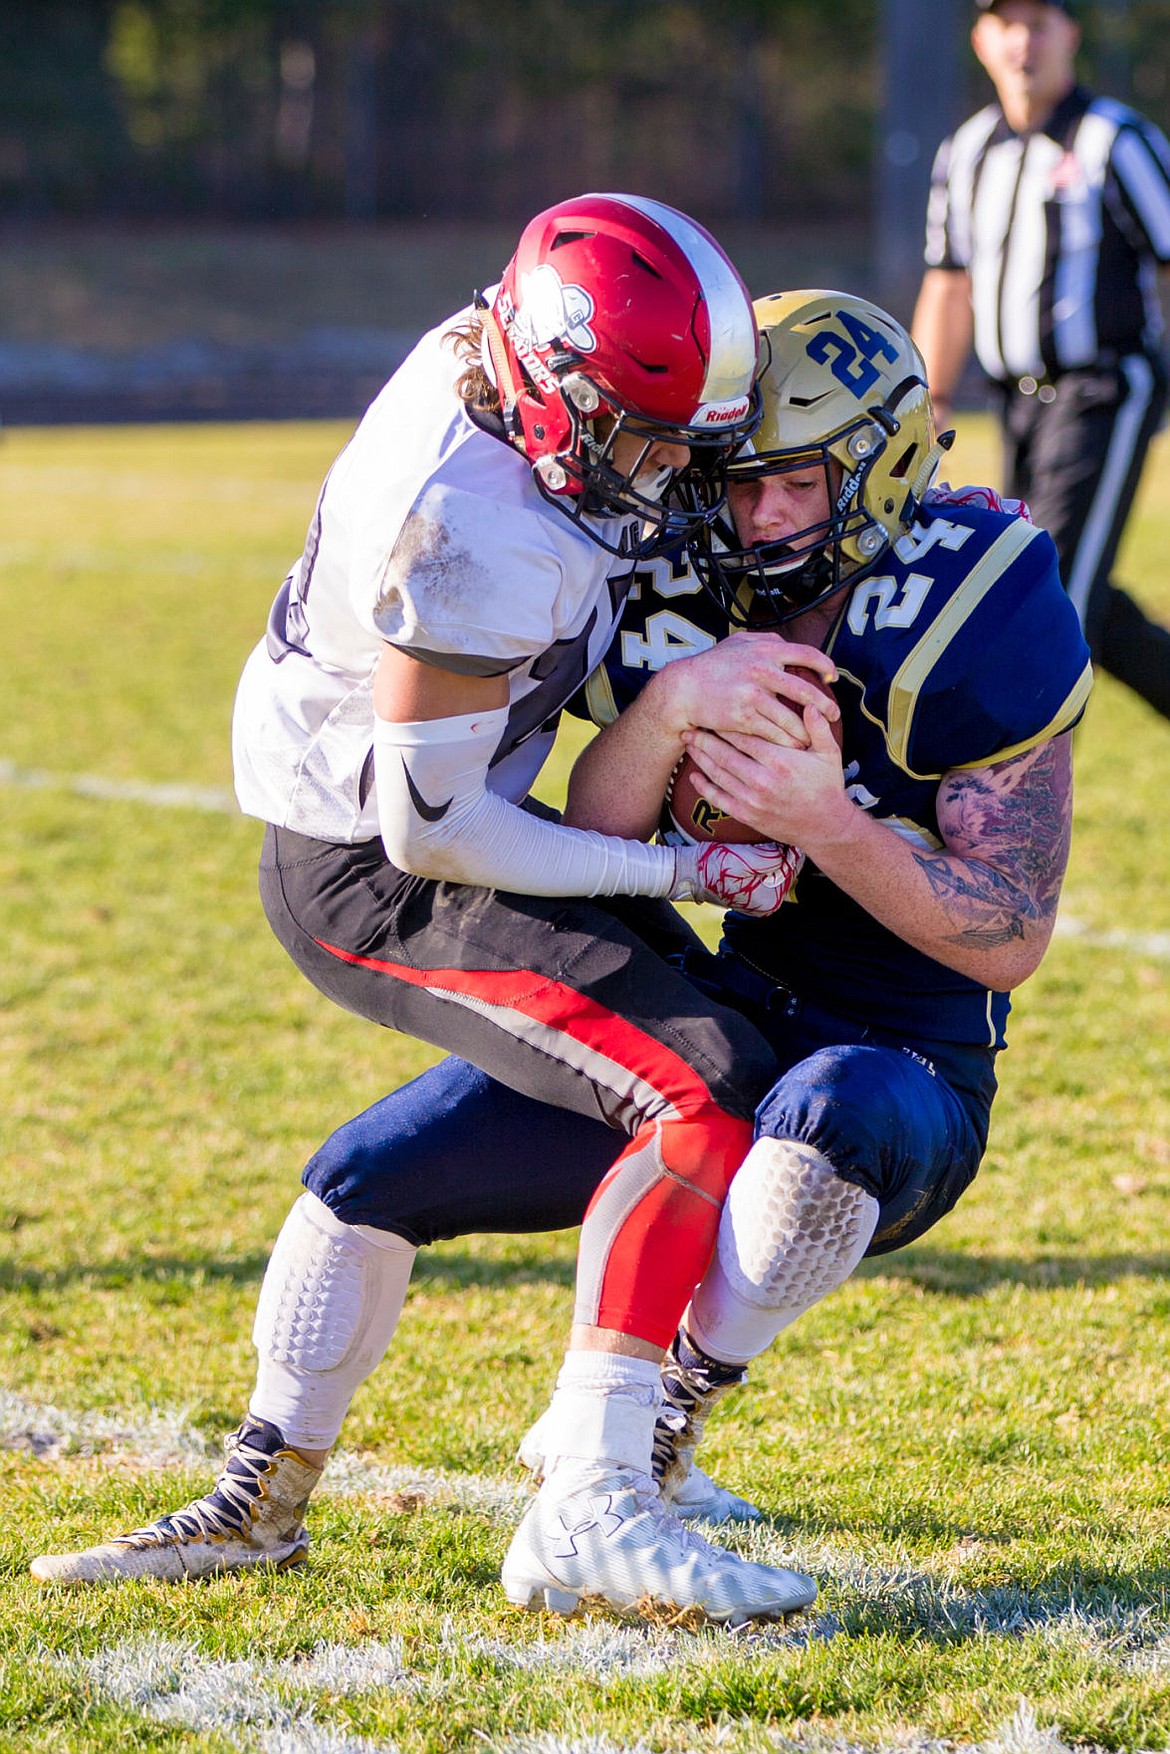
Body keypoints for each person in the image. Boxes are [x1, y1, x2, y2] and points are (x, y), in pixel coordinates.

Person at [32, 290, 1092, 1620]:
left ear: (875, 471)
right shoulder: (685, 569)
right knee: (371, 1172)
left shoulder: (974, 596)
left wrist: (820, 818)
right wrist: (662, 714)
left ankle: (636, 1446)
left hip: (898, 1051)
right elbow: (598, 827)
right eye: (731, 479)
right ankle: (260, 1489)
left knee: (802, 1133)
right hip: (728, 987)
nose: (748, 519)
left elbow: (1009, 937)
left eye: (790, 486)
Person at [911, 0, 1170, 721]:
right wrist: (925, 398)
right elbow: (949, 282)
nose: (1023, 41)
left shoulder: (1115, 140)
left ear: (1070, 36)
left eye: (1041, 21)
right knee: (1052, 580)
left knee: (1047, 605)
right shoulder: (965, 151)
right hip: (1014, 403)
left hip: (1103, 391)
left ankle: (1023, 820)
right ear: (981, 40)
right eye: (1007, 22)